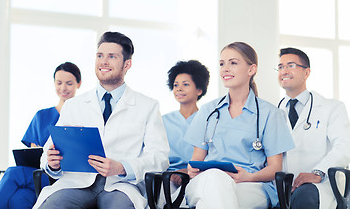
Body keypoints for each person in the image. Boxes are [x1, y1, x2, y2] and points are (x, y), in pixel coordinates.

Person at [33, 31, 169, 209]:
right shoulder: (74, 105)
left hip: (120, 186)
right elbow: (47, 154)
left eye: (111, 56)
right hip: (76, 183)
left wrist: (122, 167)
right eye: (100, 56)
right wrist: (52, 163)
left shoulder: (147, 106)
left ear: (127, 64)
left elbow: (160, 157)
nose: (103, 62)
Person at [183, 42, 295, 209]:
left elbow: (275, 168)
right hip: (206, 180)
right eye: (222, 64)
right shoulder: (208, 111)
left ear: (251, 70)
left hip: (251, 185)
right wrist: (192, 170)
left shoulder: (270, 114)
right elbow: (196, 160)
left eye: (233, 63)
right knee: (214, 180)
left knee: (208, 202)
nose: (225, 69)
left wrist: (248, 176)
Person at [277, 47, 350, 209]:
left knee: (304, 197)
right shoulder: (274, 113)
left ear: (307, 73)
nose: (284, 71)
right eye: (280, 67)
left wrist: (318, 172)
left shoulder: (332, 107)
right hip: (283, 186)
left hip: (320, 186)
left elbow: (346, 146)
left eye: (290, 65)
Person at [0, 62, 82, 209]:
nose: (63, 88)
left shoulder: (82, 116)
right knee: (19, 198)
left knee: (12, 173)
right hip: (38, 175)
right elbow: (33, 153)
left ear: (78, 84)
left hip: (63, 178)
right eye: (59, 83)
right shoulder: (41, 116)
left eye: (69, 83)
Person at [162, 60, 209, 196]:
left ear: (199, 90)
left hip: (198, 175)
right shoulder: (163, 121)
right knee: (163, 197)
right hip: (168, 177)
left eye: (186, 84)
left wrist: (188, 171)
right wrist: (171, 174)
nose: (179, 89)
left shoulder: (208, 120)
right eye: (176, 85)